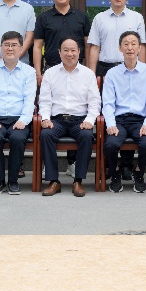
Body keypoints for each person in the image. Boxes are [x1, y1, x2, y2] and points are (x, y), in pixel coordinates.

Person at [38, 37, 100, 197]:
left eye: (73, 50)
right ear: (59, 52)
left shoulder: (88, 74)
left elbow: (95, 102)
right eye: (65, 50)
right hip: (57, 120)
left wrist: (89, 121)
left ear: (79, 52)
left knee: (87, 136)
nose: (69, 54)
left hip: (79, 120)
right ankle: (53, 181)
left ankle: (78, 180)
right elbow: (44, 101)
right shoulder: (50, 73)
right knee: (46, 134)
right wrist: (45, 118)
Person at [101, 31, 146, 194]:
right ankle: (115, 173)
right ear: (120, 48)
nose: (130, 47)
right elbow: (108, 103)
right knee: (111, 144)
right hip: (119, 120)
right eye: (125, 44)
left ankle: (139, 172)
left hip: (140, 120)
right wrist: (110, 124)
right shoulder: (112, 73)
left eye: (134, 44)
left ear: (139, 48)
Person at [0, 30, 37, 196]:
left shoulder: (29, 72)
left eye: (14, 45)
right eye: (6, 45)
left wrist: (24, 120)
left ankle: (13, 181)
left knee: (17, 138)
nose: (10, 48)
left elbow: (29, 100)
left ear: (21, 48)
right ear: (1, 47)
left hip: (18, 119)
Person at [86, 0, 145, 78]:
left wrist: (141, 72)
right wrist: (92, 75)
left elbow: (141, 47)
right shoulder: (99, 18)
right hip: (105, 69)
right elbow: (95, 47)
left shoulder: (137, 17)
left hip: (130, 68)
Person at [33, 0, 92, 74]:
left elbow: (88, 46)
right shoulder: (43, 18)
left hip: (78, 69)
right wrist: (37, 72)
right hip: (52, 69)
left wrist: (89, 70)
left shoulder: (82, 17)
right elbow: (37, 47)